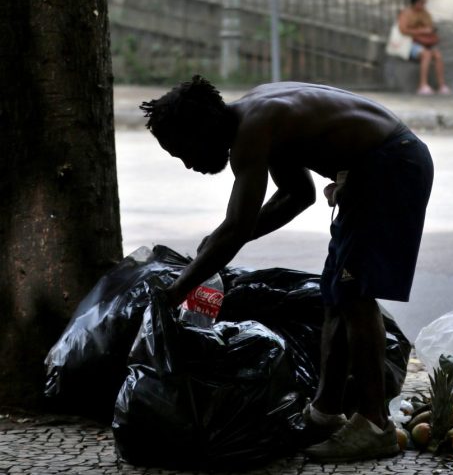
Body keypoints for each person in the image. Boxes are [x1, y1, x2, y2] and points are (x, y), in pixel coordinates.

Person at [139, 75, 434, 462]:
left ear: (202, 128)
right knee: (336, 295)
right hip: (374, 168)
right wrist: (216, 245)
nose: (188, 163)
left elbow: (239, 225)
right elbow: (297, 195)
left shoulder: (254, 128)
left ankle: (375, 424)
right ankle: (325, 413)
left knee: (356, 295)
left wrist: (178, 288)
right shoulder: (258, 117)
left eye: (183, 150)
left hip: (391, 165)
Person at [397, 0, 451, 96]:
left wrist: (430, 30)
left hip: (424, 43)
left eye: (424, 3)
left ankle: (441, 85)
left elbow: (430, 26)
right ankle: (423, 85)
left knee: (437, 55)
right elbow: (403, 30)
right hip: (409, 44)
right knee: (426, 55)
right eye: (421, 3)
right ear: (415, 2)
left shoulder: (425, 13)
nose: (423, 5)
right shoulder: (406, 13)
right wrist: (421, 31)